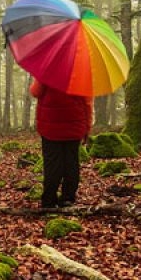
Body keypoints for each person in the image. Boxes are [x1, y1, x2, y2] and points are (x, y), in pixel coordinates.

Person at [31, 79, 93, 208]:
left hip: (50, 127)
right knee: (71, 163)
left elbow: (35, 92)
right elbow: (88, 104)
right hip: (74, 126)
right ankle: (68, 198)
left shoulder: (47, 72)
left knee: (52, 164)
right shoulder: (81, 74)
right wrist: (87, 127)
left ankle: (48, 200)